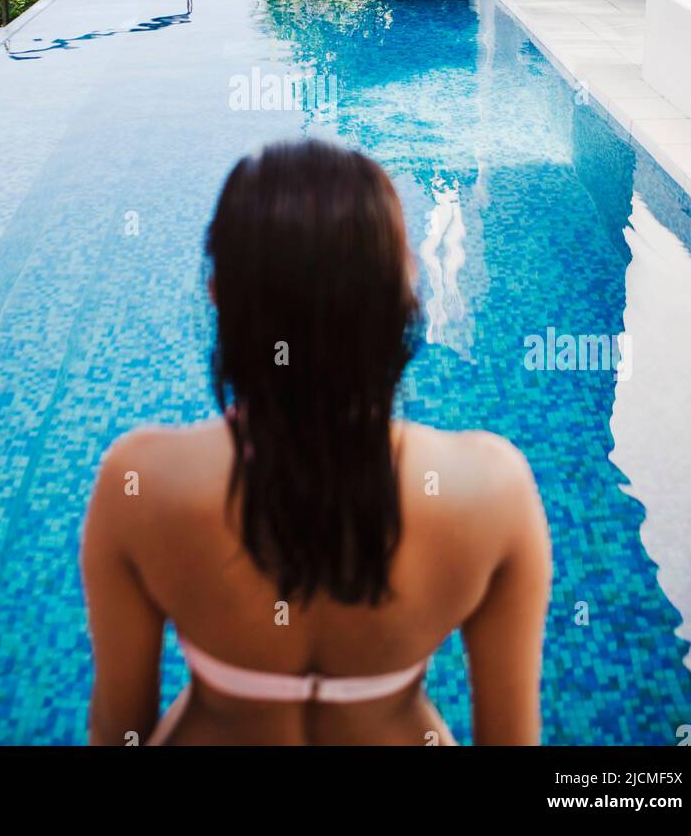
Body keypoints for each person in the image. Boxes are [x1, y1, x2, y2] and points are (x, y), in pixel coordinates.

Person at [82, 139, 550, 746]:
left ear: (219, 292)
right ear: (399, 297)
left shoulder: (138, 483)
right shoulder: (491, 489)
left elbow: (118, 731)